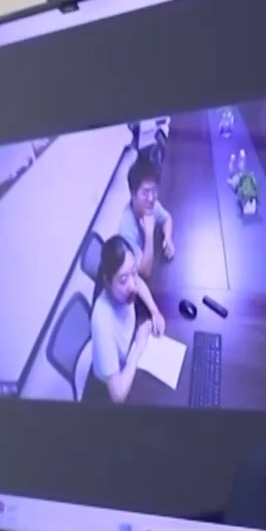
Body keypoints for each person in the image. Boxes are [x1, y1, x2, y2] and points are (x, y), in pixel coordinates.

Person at [86, 235, 166, 404]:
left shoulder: (128, 285)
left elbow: (139, 283)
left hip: (128, 352)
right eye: (123, 280)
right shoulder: (103, 324)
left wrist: (154, 311)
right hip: (109, 388)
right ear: (108, 282)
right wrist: (139, 345)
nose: (132, 286)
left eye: (134, 272)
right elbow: (118, 395)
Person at [116, 154, 175, 280]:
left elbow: (167, 218)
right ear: (133, 194)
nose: (151, 198)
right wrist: (149, 234)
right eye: (145, 192)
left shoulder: (149, 205)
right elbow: (145, 272)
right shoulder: (127, 230)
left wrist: (168, 238)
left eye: (154, 190)